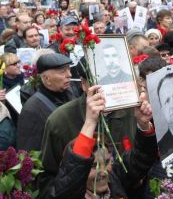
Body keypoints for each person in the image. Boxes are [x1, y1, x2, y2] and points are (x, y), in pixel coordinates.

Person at [44, 84, 157, 198]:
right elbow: (71, 179)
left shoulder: (114, 178)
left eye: (107, 162)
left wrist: (144, 124)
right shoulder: (67, 193)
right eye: (94, 165)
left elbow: (141, 157)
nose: (103, 172)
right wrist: (90, 122)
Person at [39, 64, 138, 194]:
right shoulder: (60, 120)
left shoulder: (131, 110)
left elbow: (139, 161)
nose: (109, 88)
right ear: (84, 84)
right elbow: (47, 177)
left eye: (114, 80)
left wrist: (145, 127)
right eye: (101, 82)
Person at [17, 53, 76, 151]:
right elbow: (30, 153)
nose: (69, 75)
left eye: (69, 69)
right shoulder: (32, 110)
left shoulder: (69, 91)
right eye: (62, 72)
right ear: (47, 79)